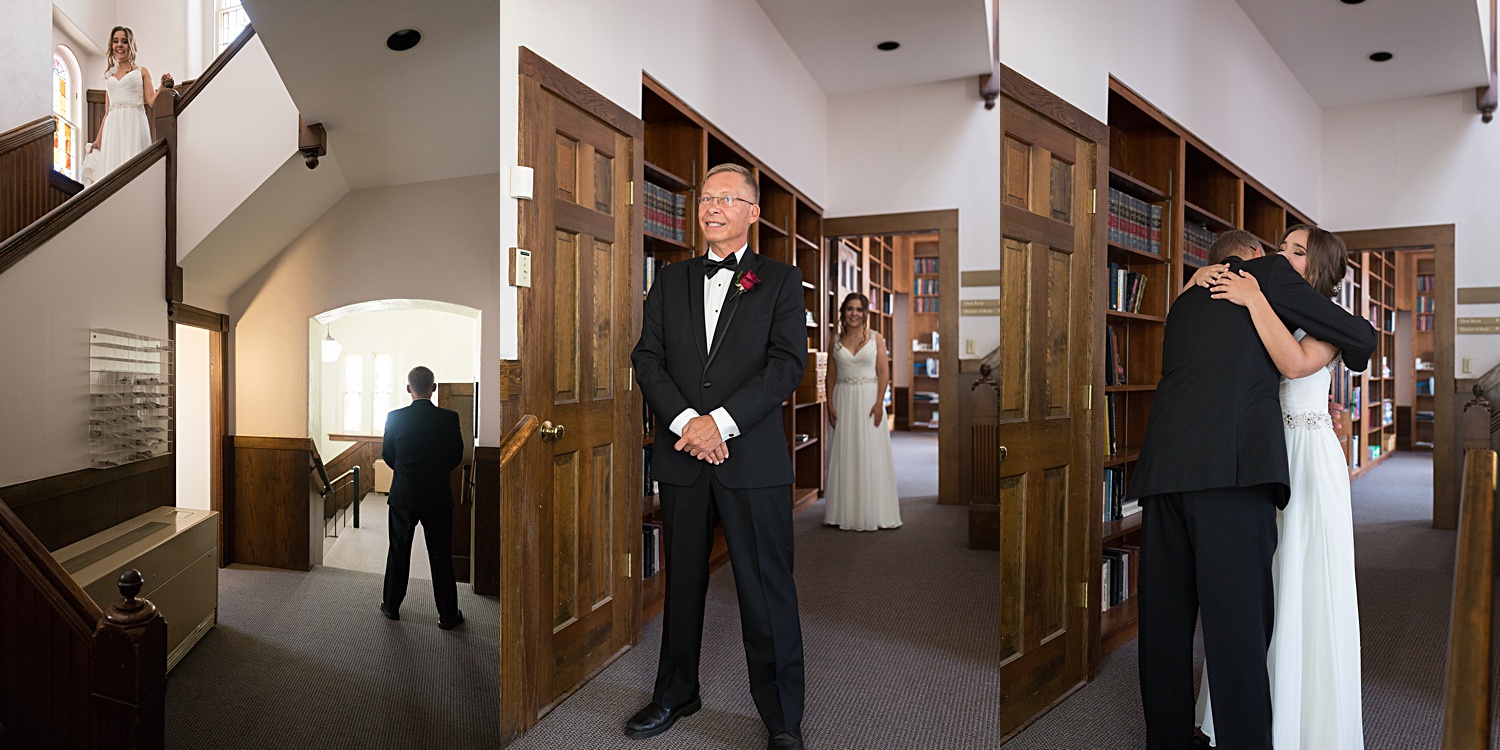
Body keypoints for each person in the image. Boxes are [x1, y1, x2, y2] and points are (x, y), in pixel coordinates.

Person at [1128, 229, 1375, 750]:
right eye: (1281, 249)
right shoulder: (1261, 280)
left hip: (1166, 468)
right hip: (1234, 470)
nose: (1284, 256)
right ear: (1258, 258)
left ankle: (1167, 740)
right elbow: (1363, 340)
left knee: (1164, 630)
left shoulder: (1190, 296)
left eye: (1297, 250)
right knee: (1238, 627)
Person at [629, 163, 808, 750]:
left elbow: (787, 364)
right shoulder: (670, 280)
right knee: (682, 583)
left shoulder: (781, 280)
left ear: (753, 213)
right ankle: (676, 692)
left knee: (765, 587)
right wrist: (688, 424)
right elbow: (647, 359)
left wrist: (721, 424)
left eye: (727, 199)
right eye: (705, 198)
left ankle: (782, 718)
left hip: (750, 458)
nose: (712, 208)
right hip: (683, 455)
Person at [379, 366, 465, 630]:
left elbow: (388, 455)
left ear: (408, 389)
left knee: (398, 550)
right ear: (434, 388)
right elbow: (456, 456)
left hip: (404, 494)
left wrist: (407, 473)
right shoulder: (449, 418)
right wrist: (436, 473)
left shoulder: (394, 417)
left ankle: (391, 607)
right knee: (441, 554)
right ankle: (448, 614)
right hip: (437, 494)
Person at [822, 292, 902, 531]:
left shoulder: (876, 338)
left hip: (869, 399)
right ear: (843, 313)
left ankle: (875, 510)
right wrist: (829, 404)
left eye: (859, 309)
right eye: (849, 309)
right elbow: (831, 375)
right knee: (846, 451)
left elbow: (884, 373)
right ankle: (842, 511)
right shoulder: (834, 340)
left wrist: (880, 403)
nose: (854, 314)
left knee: (871, 451)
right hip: (843, 399)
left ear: (865, 313)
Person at [85, 27, 172, 185]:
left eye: (124, 41)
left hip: (134, 123)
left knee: (134, 165)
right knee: (113, 170)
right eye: (116, 41)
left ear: (131, 45)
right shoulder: (110, 77)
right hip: (113, 127)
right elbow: (107, 112)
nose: (119, 45)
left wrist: (161, 86)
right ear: (112, 46)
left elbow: (151, 100)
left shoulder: (142, 72)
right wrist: (98, 140)